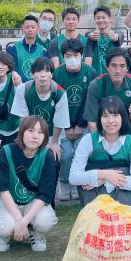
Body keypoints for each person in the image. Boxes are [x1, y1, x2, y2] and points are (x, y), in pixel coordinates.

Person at [0, 116, 58, 253]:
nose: (35, 136)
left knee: (46, 221)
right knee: (5, 227)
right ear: (21, 133)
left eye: (40, 132)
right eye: (31, 130)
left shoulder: (47, 156)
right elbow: (2, 189)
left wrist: (24, 221)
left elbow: (45, 194)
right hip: (8, 200)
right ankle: (4, 236)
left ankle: (36, 234)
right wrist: (18, 218)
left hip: (32, 202)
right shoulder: (6, 151)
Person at [69, 96, 131, 207]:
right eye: (105, 116)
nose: (110, 121)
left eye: (115, 115)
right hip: (94, 206)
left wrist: (105, 180)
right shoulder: (88, 140)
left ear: (123, 117)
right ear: (99, 119)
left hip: (124, 207)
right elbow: (73, 177)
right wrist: (102, 174)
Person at [52, 38, 96, 201]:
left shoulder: (90, 72)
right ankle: (64, 184)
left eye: (75, 55)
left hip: (83, 123)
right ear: (63, 56)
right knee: (65, 155)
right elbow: (56, 102)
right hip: (62, 125)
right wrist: (67, 126)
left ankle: (77, 183)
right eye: (68, 55)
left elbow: (90, 100)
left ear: (82, 55)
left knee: (79, 153)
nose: (72, 58)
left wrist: (79, 124)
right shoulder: (57, 73)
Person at [10, 57, 69, 160]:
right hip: (30, 132)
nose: (43, 75)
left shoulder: (60, 93)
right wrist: (26, 139)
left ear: (51, 74)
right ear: (32, 74)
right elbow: (23, 119)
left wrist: (54, 142)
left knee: (53, 159)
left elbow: (59, 122)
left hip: (51, 135)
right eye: (39, 71)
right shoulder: (23, 89)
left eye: (47, 71)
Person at [82, 47, 131, 134]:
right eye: (114, 65)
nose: (118, 71)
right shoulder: (95, 85)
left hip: (128, 133)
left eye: (122, 66)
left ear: (127, 68)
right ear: (107, 67)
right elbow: (92, 123)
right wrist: (99, 145)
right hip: (103, 132)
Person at [6, 14, 48, 81]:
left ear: (38, 29)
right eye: (27, 27)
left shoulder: (43, 51)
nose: (30, 30)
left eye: (33, 27)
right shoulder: (12, 48)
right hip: (18, 86)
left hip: (37, 86)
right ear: (22, 29)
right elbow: (13, 68)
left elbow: (43, 71)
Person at [84, 5, 122, 74]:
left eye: (104, 18)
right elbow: (87, 35)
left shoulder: (116, 34)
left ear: (110, 19)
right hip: (95, 77)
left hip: (112, 76)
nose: (101, 20)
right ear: (94, 20)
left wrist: (116, 38)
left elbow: (119, 37)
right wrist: (90, 36)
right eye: (98, 18)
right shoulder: (91, 36)